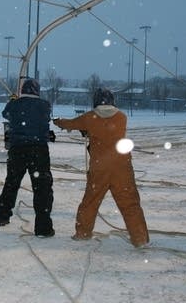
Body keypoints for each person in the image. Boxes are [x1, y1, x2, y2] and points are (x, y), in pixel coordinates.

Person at [53, 88, 149, 248]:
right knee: (130, 204)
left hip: (100, 168)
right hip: (122, 167)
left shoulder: (89, 117)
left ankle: (83, 233)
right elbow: (107, 129)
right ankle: (140, 239)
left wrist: (58, 121)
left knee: (90, 201)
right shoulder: (121, 117)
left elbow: (70, 124)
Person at [0, 78, 55, 238]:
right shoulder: (44, 105)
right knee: (42, 187)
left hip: (18, 149)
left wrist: (14, 101)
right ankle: (43, 227)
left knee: (12, 183)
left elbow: (6, 114)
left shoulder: (14, 105)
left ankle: (3, 215)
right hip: (39, 150)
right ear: (37, 91)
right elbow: (46, 118)